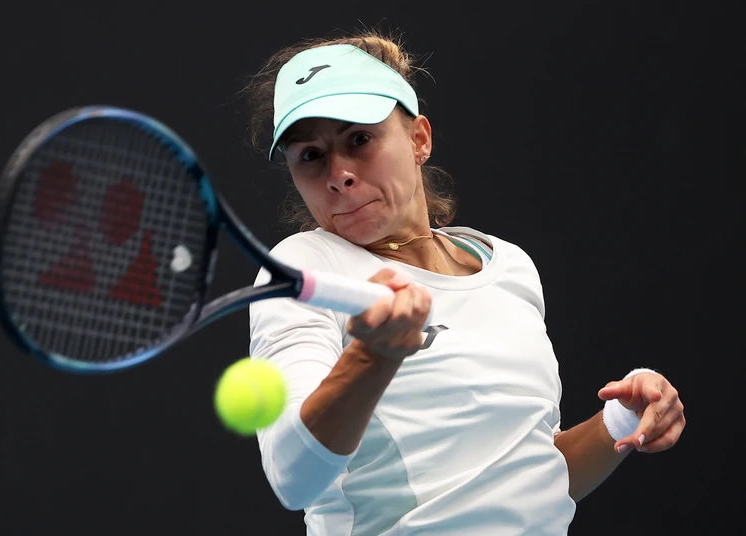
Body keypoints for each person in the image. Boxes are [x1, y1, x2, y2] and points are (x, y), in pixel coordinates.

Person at [240, 30, 686, 535]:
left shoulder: (510, 267)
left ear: (419, 139)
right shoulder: (302, 270)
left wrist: (622, 422)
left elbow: (529, 475)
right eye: (311, 156)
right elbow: (292, 476)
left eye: (359, 139)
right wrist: (371, 358)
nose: (338, 173)